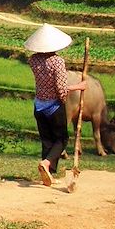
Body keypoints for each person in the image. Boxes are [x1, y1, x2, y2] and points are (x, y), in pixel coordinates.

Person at [24, 24, 86, 186]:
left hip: (39, 106)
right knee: (61, 139)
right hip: (53, 107)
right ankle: (46, 164)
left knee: (47, 140)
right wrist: (79, 87)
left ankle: (48, 175)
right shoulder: (57, 61)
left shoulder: (33, 60)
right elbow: (61, 89)